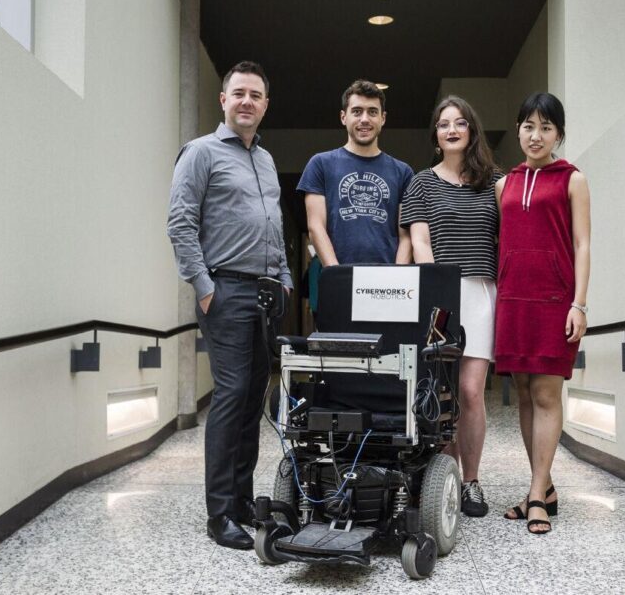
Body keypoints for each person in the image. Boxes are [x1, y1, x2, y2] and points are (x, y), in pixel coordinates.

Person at [167, 61, 293, 550]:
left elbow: (273, 226)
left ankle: (242, 500)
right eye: (238, 92)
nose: (247, 101)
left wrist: (283, 279)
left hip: (264, 292)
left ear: (264, 105)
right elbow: (179, 223)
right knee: (231, 394)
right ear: (223, 100)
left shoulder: (263, 160)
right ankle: (219, 513)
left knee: (253, 396)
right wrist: (204, 287)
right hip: (225, 290)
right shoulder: (199, 153)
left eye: (255, 95)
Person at [400, 96, 502, 517]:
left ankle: (472, 481)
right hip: (440, 296)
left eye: (461, 122)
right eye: (444, 124)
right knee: (442, 395)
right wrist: (436, 290)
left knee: (470, 392)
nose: (452, 129)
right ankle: (446, 477)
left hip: (481, 293)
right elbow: (420, 241)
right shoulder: (422, 182)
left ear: (472, 131)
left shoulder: (495, 181)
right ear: (436, 135)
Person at [495, 92, 591, 534]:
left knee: (547, 395)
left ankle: (536, 494)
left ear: (558, 134)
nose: (536, 136)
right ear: (518, 129)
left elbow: (582, 245)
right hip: (513, 300)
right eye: (529, 126)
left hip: (555, 301)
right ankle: (544, 488)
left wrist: (579, 303)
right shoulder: (505, 183)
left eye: (546, 128)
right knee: (524, 394)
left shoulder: (573, 179)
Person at [298, 80, 414, 266]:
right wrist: (336, 274)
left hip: (388, 284)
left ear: (383, 118)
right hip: (338, 277)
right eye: (357, 111)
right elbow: (315, 227)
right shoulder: (320, 164)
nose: (365, 119)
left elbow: (406, 235)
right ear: (343, 117)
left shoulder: (403, 172)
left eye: (372, 112)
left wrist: (396, 278)